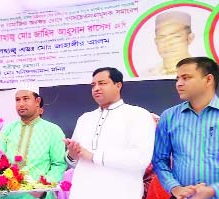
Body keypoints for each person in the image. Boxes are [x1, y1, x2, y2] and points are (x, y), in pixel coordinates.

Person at [64, 67, 156, 199]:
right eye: (93, 85)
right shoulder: (85, 118)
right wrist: (72, 155)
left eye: (102, 83)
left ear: (118, 85)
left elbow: (140, 159)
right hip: (82, 192)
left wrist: (94, 156)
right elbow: (74, 160)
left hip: (121, 193)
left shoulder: (139, 115)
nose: (96, 88)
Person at [152, 57, 219, 199]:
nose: (178, 84)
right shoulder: (169, 117)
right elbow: (159, 159)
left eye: (186, 78)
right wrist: (174, 187)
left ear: (208, 80)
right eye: (177, 79)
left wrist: (213, 190)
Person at [0, 85, 67, 199]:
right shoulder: (8, 129)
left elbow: (59, 164)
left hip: (37, 195)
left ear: (37, 101)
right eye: (17, 100)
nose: (21, 104)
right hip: (7, 195)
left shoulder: (53, 130)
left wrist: (43, 188)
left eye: (26, 99)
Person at [142, 11, 194, 76]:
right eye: (161, 38)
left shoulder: (202, 71)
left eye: (175, 37)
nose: (168, 44)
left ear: (190, 38)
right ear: (156, 42)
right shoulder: (148, 75)